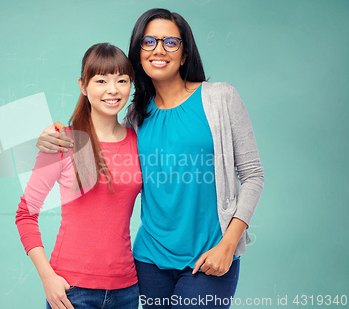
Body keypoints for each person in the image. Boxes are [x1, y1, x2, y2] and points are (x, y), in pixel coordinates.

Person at [35, 8, 264, 309]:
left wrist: (229, 243)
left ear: (184, 54)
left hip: (210, 256)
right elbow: (100, 146)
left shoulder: (220, 98)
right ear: (138, 54)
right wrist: (53, 137)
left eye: (170, 42)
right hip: (149, 262)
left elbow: (253, 175)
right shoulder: (134, 119)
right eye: (149, 42)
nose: (159, 49)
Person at [16, 43, 141, 309]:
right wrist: (48, 278)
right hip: (72, 291)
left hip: (128, 290)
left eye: (122, 80)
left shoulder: (139, 142)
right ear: (83, 86)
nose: (112, 89)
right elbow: (25, 214)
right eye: (101, 80)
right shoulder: (63, 142)